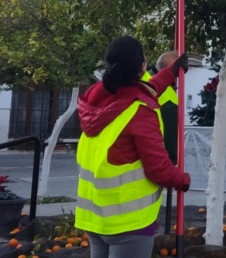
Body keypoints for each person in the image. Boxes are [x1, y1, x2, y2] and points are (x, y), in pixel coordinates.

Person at [75, 36, 190, 258]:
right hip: (128, 222)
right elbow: (158, 169)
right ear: (143, 65)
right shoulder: (139, 111)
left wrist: (170, 72)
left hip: (95, 217)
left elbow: (146, 88)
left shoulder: (97, 97)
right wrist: (182, 180)